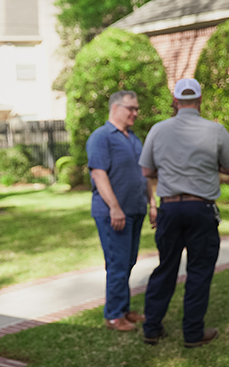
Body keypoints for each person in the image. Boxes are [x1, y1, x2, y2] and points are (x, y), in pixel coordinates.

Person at [139, 78, 229, 347]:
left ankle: (152, 328)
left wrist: (170, 169)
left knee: (166, 267)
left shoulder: (158, 130)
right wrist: (209, 165)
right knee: (199, 270)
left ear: (175, 101)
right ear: (200, 100)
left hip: (169, 208)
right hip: (201, 208)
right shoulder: (215, 130)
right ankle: (193, 333)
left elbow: (146, 170)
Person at [86, 90, 157, 332]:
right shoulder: (101, 137)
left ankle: (123, 309)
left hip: (135, 209)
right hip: (114, 214)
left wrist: (152, 203)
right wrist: (115, 208)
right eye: (131, 108)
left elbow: (144, 174)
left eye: (136, 109)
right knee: (117, 263)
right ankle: (114, 315)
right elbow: (99, 174)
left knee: (128, 262)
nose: (135, 113)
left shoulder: (133, 139)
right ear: (115, 108)